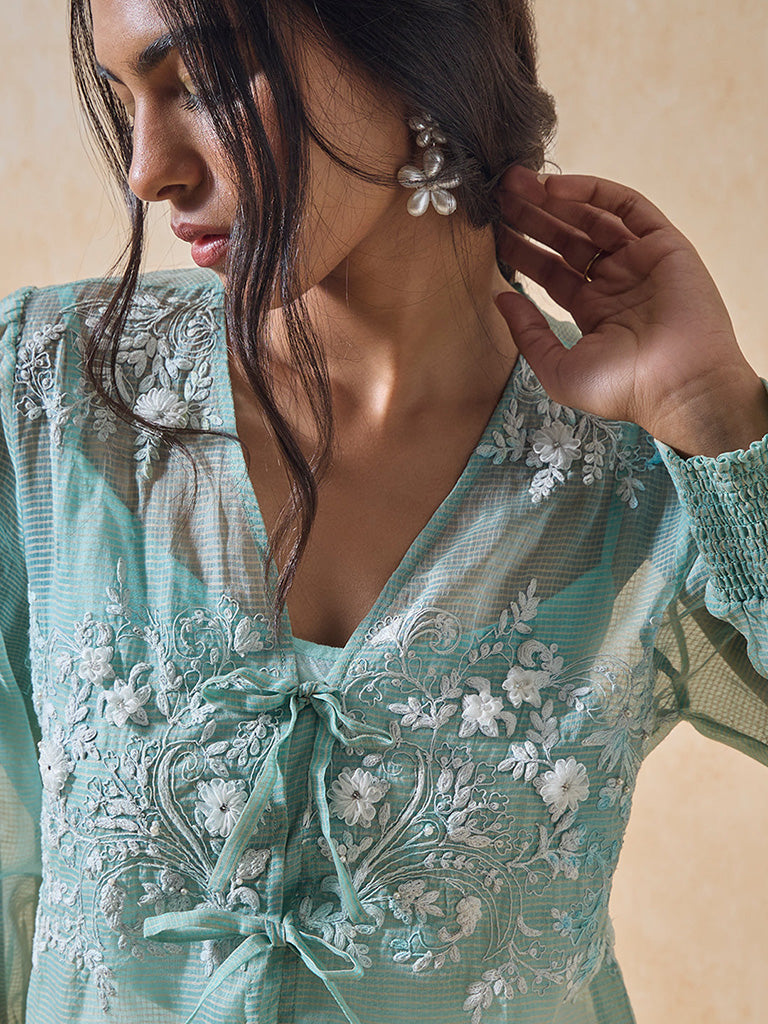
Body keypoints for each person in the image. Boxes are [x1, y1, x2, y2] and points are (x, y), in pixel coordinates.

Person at [1, 0, 767, 1021]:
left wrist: (715, 415)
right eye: (122, 97)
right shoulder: (49, 399)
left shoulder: (651, 472)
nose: (146, 173)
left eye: (204, 83)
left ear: (412, 45)